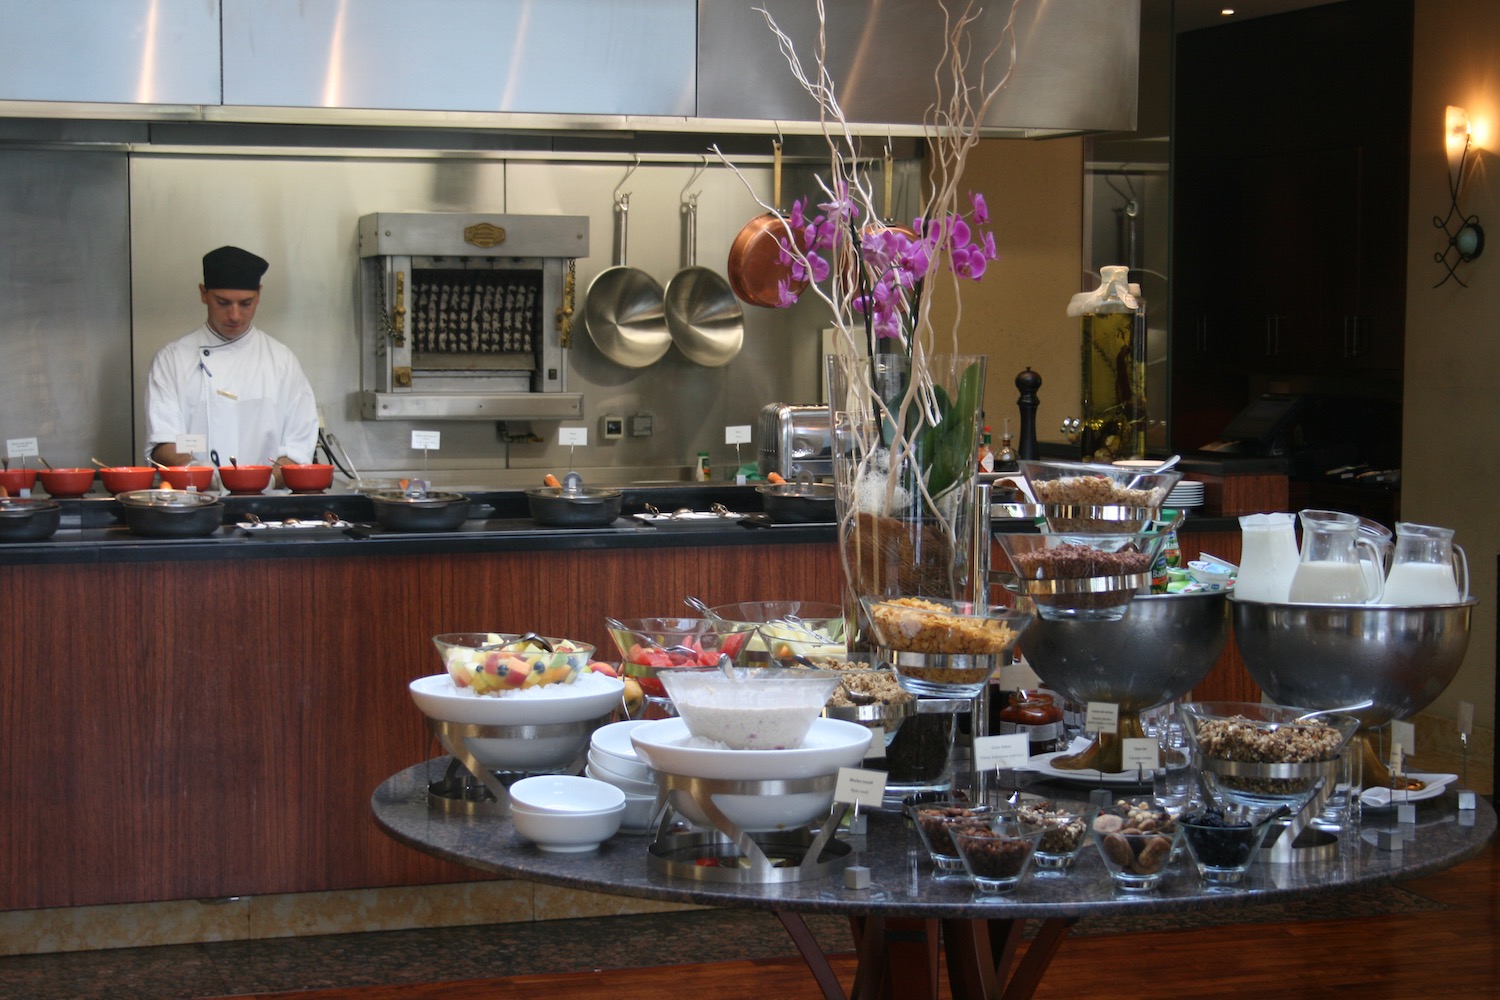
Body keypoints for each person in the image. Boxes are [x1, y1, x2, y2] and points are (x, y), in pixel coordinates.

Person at [145, 246, 319, 479]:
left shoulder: (281, 361)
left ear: (259, 294)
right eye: (223, 303)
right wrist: (207, 476)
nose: (235, 315)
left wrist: (260, 482)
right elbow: (163, 443)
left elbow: (299, 448)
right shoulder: (172, 359)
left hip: (266, 505)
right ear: (203, 294)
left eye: (246, 303)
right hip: (195, 501)